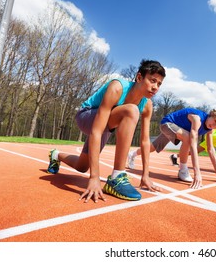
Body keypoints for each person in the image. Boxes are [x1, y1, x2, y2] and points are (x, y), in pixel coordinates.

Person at [46, 59, 166, 203]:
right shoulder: (117, 88)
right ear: (139, 77)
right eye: (152, 81)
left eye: (159, 84)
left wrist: (145, 175)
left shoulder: (147, 105)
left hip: (106, 126)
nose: (155, 87)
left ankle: (56, 155)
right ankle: (117, 177)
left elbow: (145, 141)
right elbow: (96, 131)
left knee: (82, 166)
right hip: (87, 116)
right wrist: (94, 178)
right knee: (131, 110)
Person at [127, 108, 216, 189]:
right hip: (167, 124)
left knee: (153, 147)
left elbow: (210, 149)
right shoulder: (197, 119)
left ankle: (132, 154)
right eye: (214, 121)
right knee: (188, 137)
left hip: (178, 129)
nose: (213, 125)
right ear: (213, 114)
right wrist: (197, 173)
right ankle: (183, 170)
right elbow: (193, 144)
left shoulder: (209, 129)